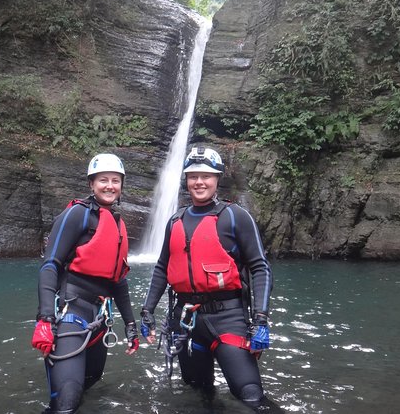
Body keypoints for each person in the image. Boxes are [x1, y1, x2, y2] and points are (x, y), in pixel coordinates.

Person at [140, 146, 273, 411]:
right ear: (186, 180)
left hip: (228, 318)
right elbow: (162, 268)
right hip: (187, 321)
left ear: (217, 178)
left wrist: (260, 319)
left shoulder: (236, 217)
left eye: (206, 176)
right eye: (193, 176)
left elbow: (260, 267)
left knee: (250, 394)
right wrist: (147, 311)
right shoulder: (175, 220)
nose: (199, 182)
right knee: (197, 394)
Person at [31, 153, 139, 414]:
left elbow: (119, 281)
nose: (110, 186)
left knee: (87, 384)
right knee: (66, 402)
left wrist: (131, 325)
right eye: (103, 180)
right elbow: (50, 265)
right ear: (92, 184)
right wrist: (45, 320)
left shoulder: (118, 223)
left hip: (99, 318)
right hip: (71, 313)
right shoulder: (77, 214)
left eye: (116, 180)